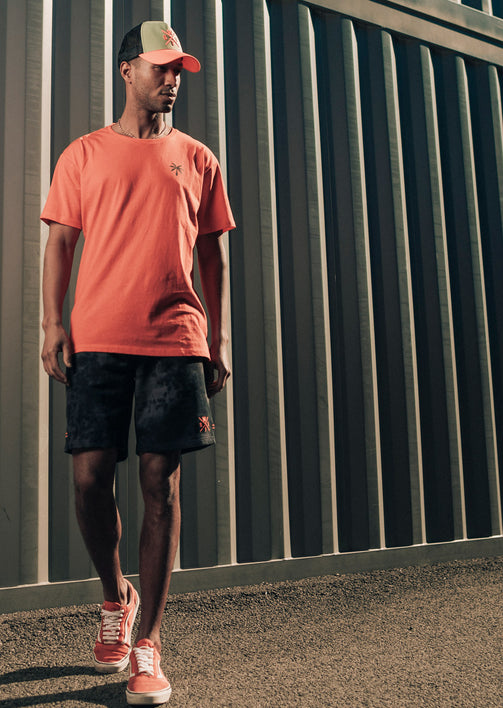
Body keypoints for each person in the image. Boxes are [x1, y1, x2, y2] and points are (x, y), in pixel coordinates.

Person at [40, 21, 235, 706]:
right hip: (97, 339)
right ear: (127, 71)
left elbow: (212, 254)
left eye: (179, 69)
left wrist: (219, 339)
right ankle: (114, 597)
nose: (172, 79)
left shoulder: (198, 159)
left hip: (174, 339)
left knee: (161, 484)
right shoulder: (83, 154)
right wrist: (52, 324)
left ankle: (148, 642)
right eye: (160, 67)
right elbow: (61, 243)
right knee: (91, 480)